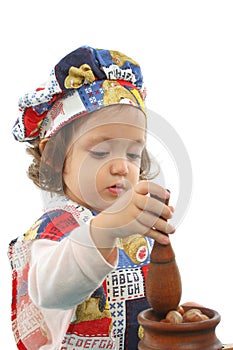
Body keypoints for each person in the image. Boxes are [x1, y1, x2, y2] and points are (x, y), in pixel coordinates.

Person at [8, 46, 175, 350]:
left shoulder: (134, 229)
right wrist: (106, 229)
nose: (122, 166)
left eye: (134, 154)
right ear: (54, 158)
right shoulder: (53, 228)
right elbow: (52, 290)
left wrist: (173, 321)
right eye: (100, 152)